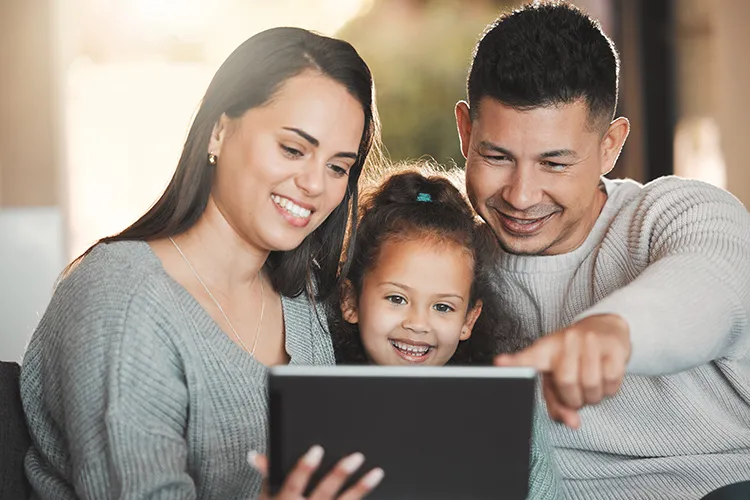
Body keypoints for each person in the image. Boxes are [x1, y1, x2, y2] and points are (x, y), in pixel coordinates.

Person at [20, 27, 385, 499]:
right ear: (219, 129)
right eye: (293, 149)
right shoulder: (121, 298)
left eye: (338, 167)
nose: (316, 184)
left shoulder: (306, 299)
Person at [455, 2, 750, 499]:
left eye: (554, 163)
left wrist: (609, 331)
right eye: (497, 156)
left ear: (610, 146)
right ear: (466, 132)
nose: (521, 195)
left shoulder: (676, 212)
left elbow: (710, 282)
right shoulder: (449, 258)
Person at [329, 165, 560, 499]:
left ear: (469, 320)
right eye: (397, 298)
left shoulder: (503, 412)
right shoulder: (327, 403)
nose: (418, 324)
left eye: (443, 307)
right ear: (350, 301)